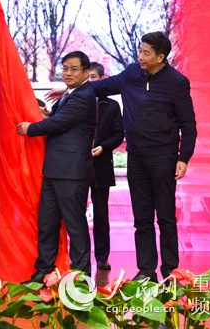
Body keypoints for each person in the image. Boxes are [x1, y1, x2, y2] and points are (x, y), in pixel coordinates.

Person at [46, 32, 197, 282]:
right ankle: (146, 271)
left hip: (164, 157)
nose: (140, 56)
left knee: (166, 218)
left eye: (146, 53)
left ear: (161, 57)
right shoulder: (131, 74)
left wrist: (184, 157)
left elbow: (188, 124)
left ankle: (170, 271)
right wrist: (70, 88)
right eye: (140, 51)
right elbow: (100, 87)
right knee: (142, 218)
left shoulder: (177, 82)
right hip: (136, 156)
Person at [17, 51, 96, 283]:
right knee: (47, 224)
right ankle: (43, 271)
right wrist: (48, 114)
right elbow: (61, 119)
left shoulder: (83, 95)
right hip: (54, 169)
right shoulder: (71, 94)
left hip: (72, 172)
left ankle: (81, 277)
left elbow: (60, 123)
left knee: (75, 226)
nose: (68, 73)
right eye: (65, 68)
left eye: (74, 69)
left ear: (85, 72)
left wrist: (30, 128)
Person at [88, 62, 124, 271]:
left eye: (94, 77)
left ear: (102, 79)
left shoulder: (111, 106)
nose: (90, 82)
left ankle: (102, 257)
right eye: (87, 77)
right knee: (75, 215)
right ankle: (79, 257)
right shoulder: (76, 102)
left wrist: (104, 146)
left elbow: (119, 134)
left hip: (101, 166)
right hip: (78, 167)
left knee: (101, 214)